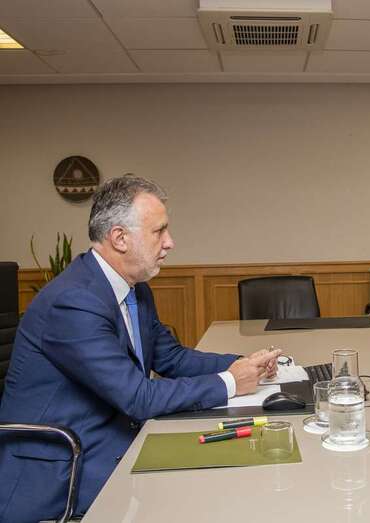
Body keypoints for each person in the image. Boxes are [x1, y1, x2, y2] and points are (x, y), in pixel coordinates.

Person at [0, 176, 282, 522]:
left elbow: (171, 357)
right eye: (159, 231)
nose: (170, 242)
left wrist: (240, 364)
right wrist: (231, 382)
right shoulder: (73, 301)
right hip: (65, 464)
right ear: (120, 238)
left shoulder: (134, 288)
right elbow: (137, 397)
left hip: (113, 433)